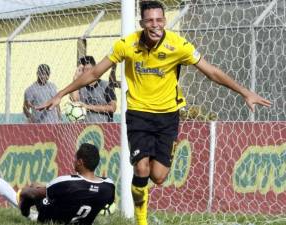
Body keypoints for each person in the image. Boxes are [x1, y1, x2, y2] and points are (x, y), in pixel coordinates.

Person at [36, 1, 272, 224]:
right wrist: (61, 93)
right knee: (141, 168)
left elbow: (211, 71)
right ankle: (141, 220)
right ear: (142, 23)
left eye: (159, 20)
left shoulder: (178, 45)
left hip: (168, 116)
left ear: (165, 21)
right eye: (150, 20)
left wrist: (244, 92)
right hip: (139, 114)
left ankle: (152, 175)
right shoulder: (126, 45)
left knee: (158, 177)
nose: (155, 25)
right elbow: (95, 73)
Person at [17, 143, 115, 225]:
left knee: (33, 188)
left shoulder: (67, 182)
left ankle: (27, 214)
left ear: (80, 162)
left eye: (75, 159)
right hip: (83, 220)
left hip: (52, 220)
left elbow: (36, 193)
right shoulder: (109, 185)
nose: (74, 161)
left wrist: (22, 192)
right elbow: (108, 202)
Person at [70, 56, 117, 122]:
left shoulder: (106, 85)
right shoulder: (80, 86)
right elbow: (75, 101)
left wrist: (88, 107)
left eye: (89, 69)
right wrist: (75, 78)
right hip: (84, 129)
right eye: (83, 70)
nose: (87, 73)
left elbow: (112, 108)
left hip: (103, 129)